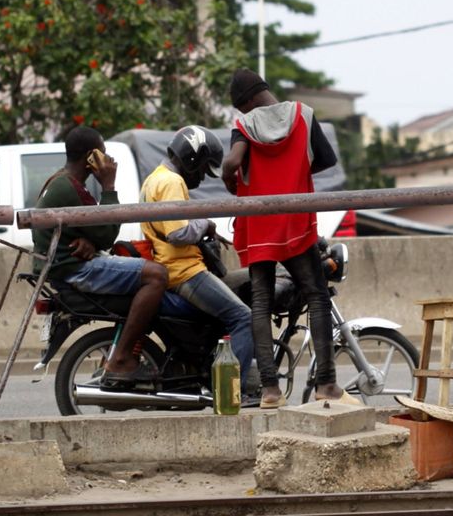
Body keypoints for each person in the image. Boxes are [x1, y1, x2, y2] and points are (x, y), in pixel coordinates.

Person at [222, 68, 356, 408]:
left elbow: (231, 162)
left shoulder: (244, 127)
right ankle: (326, 384)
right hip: (296, 221)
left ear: (248, 100)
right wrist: (294, 174)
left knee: (261, 304)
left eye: (242, 107)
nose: (244, 114)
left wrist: (232, 183)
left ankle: (269, 391)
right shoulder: (303, 114)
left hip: (260, 225)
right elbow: (327, 158)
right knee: (317, 296)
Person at [33, 126, 168, 391]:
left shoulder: (59, 182)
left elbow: (92, 231)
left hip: (62, 266)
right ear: (91, 157)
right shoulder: (71, 189)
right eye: (103, 153)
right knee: (157, 275)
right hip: (73, 269)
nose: (107, 159)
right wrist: (109, 185)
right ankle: (121, 358)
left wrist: (90, 242)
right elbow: (107, 233)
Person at [140, 125, 254, 391]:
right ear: (193, 158)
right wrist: (205, 223)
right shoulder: (171, 181)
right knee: (243, 317)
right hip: (184, 272)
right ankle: (232, 390)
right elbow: (178, 232)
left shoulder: (154, 178)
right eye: (203, 169)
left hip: (172, 268)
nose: (202, 178)